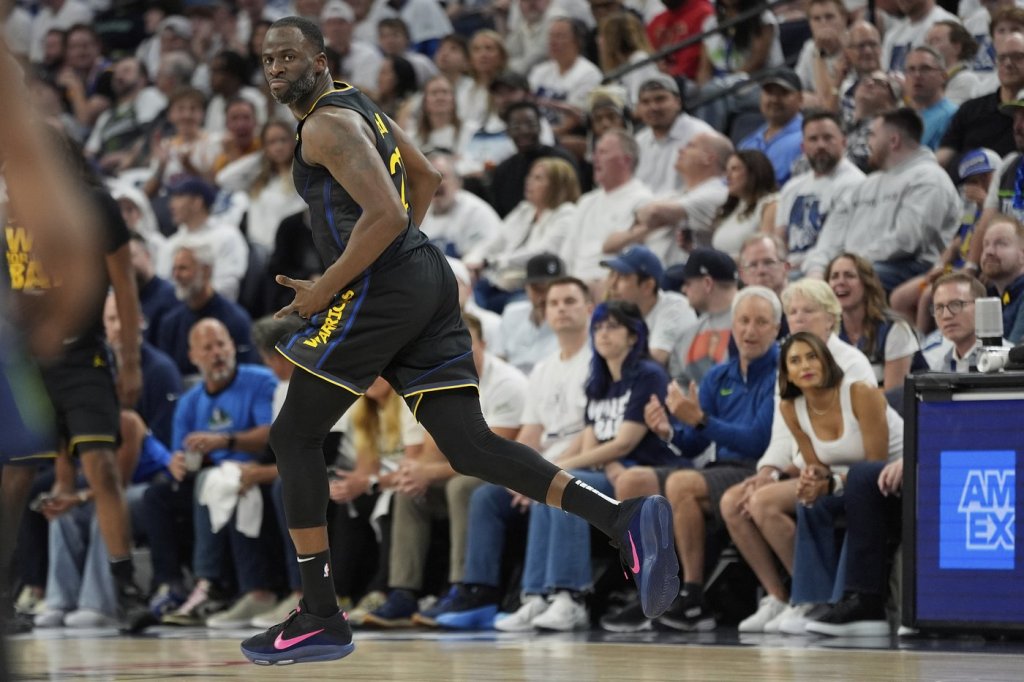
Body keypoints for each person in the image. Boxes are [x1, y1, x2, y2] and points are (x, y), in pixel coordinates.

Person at [241, 17, 681, 666]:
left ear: (321, 59)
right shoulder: (360, 104)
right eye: (268, 58)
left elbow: (387, 213)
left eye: (288, 55)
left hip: (384, 287)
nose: (277, 67)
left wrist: (327, 287)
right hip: (422, 278)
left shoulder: (325, 126)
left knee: (293, 436)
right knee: (470, 445)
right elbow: (424, 178)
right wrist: (401, 260)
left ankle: (320, 614)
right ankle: (622, 519)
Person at [603, 286, 782, 632]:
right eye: (744, 320)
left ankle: (692, 597)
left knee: (682, 484)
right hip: (720, 469)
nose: (750, 330)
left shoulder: (779, 374)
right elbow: (695, 442)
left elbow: (757, 440)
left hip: (761, 468)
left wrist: (700, 419)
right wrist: (668, 431)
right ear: (733, 325)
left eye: (761, 322)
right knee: (631, 481)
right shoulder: (718, 375)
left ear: (776, 329)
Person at [495, 300, 677, 632]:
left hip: (646, 472)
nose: (603, 334)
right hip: (612, 472)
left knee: (564, 485)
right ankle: (536, 595)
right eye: (598, 328)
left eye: (613, 327)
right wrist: (552, 471)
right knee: (548, 486)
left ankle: (571, 597)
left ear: (633, 335)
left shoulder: (648, 375)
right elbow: (593, 441)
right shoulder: (600, 378)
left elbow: (624, 443)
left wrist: (557, 467)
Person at [769, 331, 902, 635]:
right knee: (810, 502)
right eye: (795, 361)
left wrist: (831, 484)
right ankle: (814, 602)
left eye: (812, 357)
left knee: (854, 494)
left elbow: (875, 465)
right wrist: (810, 481)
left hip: (895, 480)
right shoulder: (791, 408)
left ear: (826, 361)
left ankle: (848, 599)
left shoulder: (860, 393)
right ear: (786, 373)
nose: (805, 365)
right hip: (855, 483)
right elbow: (818, 467)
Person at [803, 108, 961, 292]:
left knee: (849, 281)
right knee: (799, 284)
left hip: (910, 269)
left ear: (893, 141)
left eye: (872, 135)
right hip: (860, 266)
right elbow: (831, 236)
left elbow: (907, 242)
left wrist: (851, 264)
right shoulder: (866, 185)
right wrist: (816, 270)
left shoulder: (929, 179)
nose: (867, 143)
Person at [778, 111, 865, 277]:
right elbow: (779, 239)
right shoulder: (792, 187)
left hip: (827, 269)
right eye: (813, 139)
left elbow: (832, 247)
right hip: (789, 268)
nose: (821, 145)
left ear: (844, 142)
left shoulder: (854, 184)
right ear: (803, 147)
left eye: (828, 138)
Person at [826, 253, 924, 391]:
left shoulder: (895, 329)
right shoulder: (830, 332)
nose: (840, 282)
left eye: (849, 275)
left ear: (867, 283)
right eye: (834, 276)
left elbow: (894, 396)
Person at [710, 150, 778, 259]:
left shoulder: (770, 204)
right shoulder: (735, 207)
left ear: (754, 172)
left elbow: (765, 254)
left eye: (734, 169)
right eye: (727, 170)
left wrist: (721, 261)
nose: (727, 176)